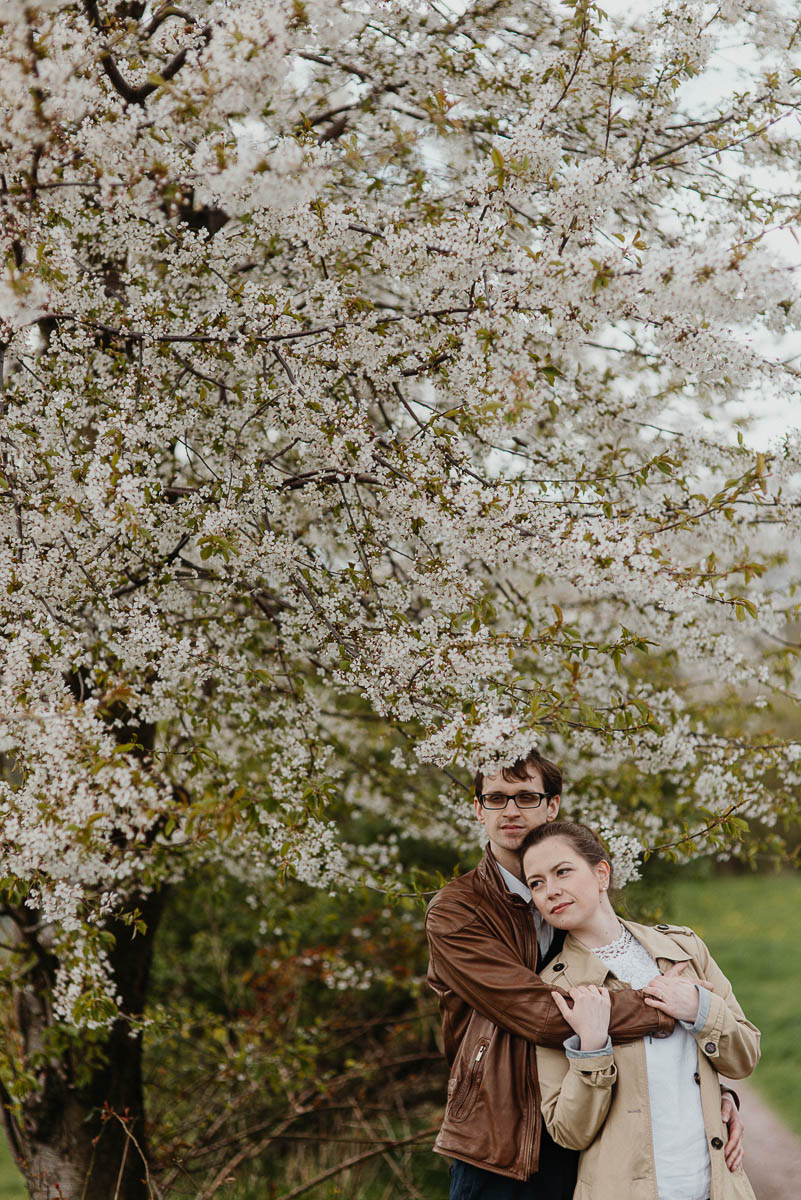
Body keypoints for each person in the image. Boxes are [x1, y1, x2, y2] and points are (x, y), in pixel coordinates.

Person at [425, 750, 745, 1200]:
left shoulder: (572, 899)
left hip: (591, 1126)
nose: (510, 810)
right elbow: (543, 1013)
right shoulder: (457, 911)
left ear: (551, 806)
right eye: (496, 798)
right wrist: (671, 1006)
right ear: (478, 809)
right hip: (501, 1137)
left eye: (526, 797)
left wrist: (710, 1095)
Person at [522, 819, 758, 1200]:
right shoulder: (554, 989)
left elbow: (745, 1056)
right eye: (536, 883)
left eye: (562, 871)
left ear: (601, 874)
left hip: (716, 1187)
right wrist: (592, 1049)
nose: (550, 891)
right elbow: (568, 1132)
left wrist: (698, 1009)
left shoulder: (684, 948)